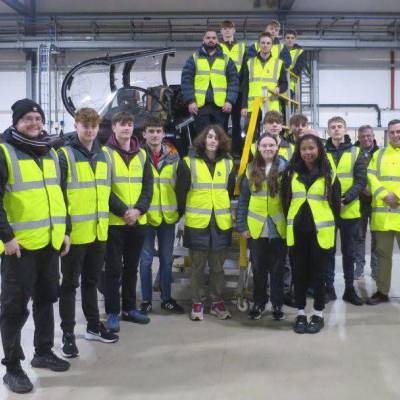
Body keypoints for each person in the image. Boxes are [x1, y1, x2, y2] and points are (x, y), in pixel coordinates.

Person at [0, 99, 70, 394]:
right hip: (20, 248)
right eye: (27, 118)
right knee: (14, 308)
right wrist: (7, 238)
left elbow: (60, 194)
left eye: (38, 118)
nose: (34, 123)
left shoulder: (51, 152)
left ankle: (43, 351)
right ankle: (13, 367)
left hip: (50, 243)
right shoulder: (4, 152)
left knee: (45, 299)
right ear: (16, 122)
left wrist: (65, 231)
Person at [58, 108, 118, 359]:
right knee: (70, 285)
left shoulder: (104, 155)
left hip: (98, 232)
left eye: (94, 126)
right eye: (85, 125)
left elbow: (106, 192)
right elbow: (58, 197)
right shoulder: (64, 155)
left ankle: (93, 326)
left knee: (92, 282)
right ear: (76, 125)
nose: (90, 130)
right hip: (74, 235)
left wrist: (126, 211)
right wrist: (65, 230)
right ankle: (68, 335)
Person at [281, 134, 341, 334]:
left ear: (319, 150)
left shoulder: (329, 174)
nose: (308, 152)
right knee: (299, 275)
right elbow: (285, 201)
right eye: (304, 149)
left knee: (318, 275)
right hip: (297, 233)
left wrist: (332, 231)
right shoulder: (290, 173)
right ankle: (300, 313)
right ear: (299, 151)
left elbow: (335, 208)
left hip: (321, 234)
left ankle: (318, 314)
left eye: (311, 148)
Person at [176, 124, 235, 321]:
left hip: (220, 222)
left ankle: (217, 302)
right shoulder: (187, 163)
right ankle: (197, 302)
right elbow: (181, 192)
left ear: (221, 142)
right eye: (209, 136)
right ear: (203, 139)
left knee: (218, 267)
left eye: (216, 138)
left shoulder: (228, 164)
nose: (212, 141)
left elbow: (230, 189)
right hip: (197, 223)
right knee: (197, 267)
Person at [103, 112, 154, 332]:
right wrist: (124, 211)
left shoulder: (142, 155)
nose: (126, 128)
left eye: (130, 124)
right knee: (113, 269)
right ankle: (113, 312)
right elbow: (103, 188)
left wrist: (138, 211)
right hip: (115, 222)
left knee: (131, 267)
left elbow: (148, 188)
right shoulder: (104, 154)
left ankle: (129, 309)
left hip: (138, 221)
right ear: (114, 128)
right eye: (122, 124)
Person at [237, 134, 287, 320]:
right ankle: (259, 303)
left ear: (277, 146)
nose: (267, 148)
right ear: (258, 148)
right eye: (264, 145)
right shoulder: (250, 170)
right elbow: (243, 200)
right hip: (256, 228)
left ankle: (277, 304)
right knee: (258, 269)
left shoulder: (286, 169)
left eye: (271, 145)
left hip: (278, 227)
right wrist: (242, 226)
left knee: (278, 269)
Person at [139, 116, 184, 315]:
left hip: (168, 216)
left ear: (163, 134)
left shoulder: (174, 156)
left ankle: (166, 299)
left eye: (158, 131)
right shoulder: (138, 156)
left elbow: (181, 184)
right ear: (144, 134)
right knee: (146, 260)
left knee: (166, 259)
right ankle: (146, 300)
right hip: (146, 217)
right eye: (151, 131)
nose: (155, 135)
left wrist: (179, 209)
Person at [324, 116, 367, 305]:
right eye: (332, 127)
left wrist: (346, 198)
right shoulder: (322, 153)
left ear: (345, 129)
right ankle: (329, 288)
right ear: (328, 131)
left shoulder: (356, 152)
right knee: (328, 250)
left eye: (339, 126)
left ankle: (349, 289)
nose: (336, 130)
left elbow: (361, 180)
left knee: (349, 253)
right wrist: (333, 201)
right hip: (327, 211)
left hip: (350, 210)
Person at [366, 119, 400, 305]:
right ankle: (382, 291)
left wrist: (397, 196)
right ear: (388, 134)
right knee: (383, 255)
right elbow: (370, 176)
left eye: (398, 131)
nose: (396, 135)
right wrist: (383, 193)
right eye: (392, 132)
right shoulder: (378, 154)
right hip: (383, 216)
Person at [181, 28, 239, 135]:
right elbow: (186, 81)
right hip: (200, 107)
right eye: (208, 38)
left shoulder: (226, 59)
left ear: (217, 40)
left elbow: (234, 81)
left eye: (213, 38)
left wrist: (229, 101)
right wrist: (190, 101)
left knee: (220, 138)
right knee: (202, 138)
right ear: (203, 40)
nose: (211, 40)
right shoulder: (194, 58)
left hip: (221, 107)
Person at [242, 33, 288, 118]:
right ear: (259, 45)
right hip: (252, 105)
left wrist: (279, 88)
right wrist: (244, 106)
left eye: (268, 43)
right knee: (250, 130)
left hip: (271, 105)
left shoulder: (279, 63)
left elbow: (285, 84)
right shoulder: (249, 63)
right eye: (263, 43)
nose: (265, 45)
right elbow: (245, 86)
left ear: (272, 46)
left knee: (271, 131)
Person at [354, 125, 379, 280]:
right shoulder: (354, 153)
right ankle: (359, 267)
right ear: (358, 137)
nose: (366, 139)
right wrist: (361, 189)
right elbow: (350, 174)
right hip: (359, 201)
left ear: (373, 136)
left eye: (368, 136)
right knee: (360, 236)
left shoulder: (380, 153)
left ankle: (375, 269)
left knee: (376, 236)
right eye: (363, 136)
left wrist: (374, 190)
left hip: (377, 201)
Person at [219, 20, 247, 155]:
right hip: (222, 90)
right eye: (225, 28)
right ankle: (223, 149)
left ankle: (236, 149)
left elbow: (246, 68)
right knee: (222, 122)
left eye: (230, 28)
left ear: (234, 30)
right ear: (221, 31)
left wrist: (238, 83)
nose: (227, 31)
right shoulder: (217, 47)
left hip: (238, 90)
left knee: (237, 122)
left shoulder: (242, 47)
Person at [284, 29, 306, 95]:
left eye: (292, 38)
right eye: (288, 38)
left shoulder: (300, 52)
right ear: (284, 39)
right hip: (276, 85)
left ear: (295, 40)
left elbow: (298, 68)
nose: (290, 40)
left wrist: (285, 73)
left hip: (290, 85)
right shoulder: (279, 50)